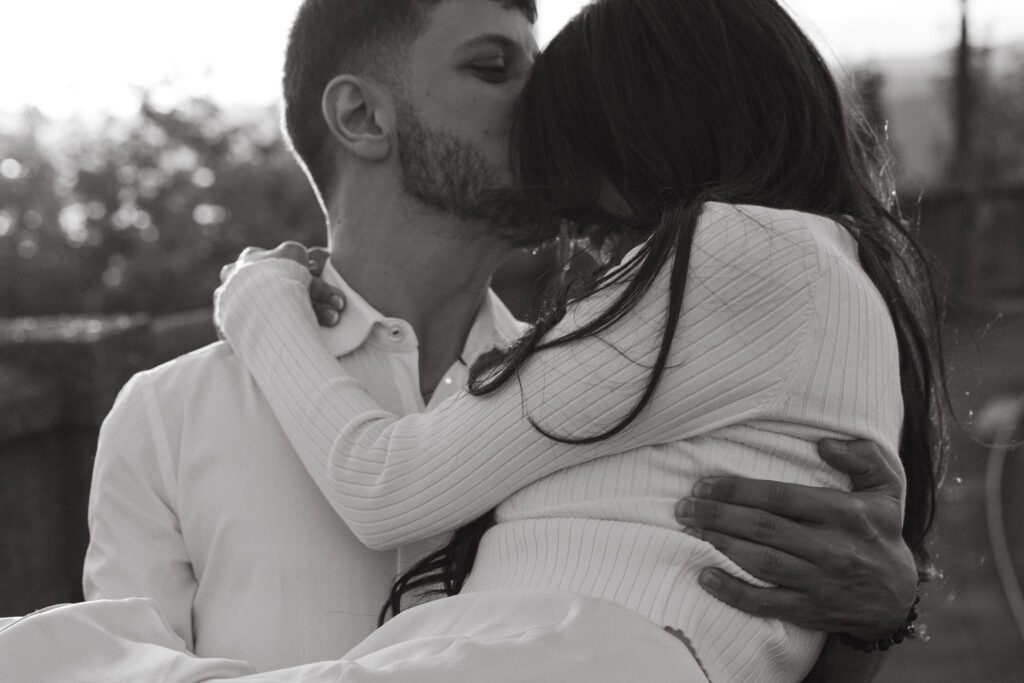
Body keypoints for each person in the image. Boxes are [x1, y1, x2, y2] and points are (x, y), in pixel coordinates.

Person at [56, 0, 921, 680]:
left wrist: (866, 624)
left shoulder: (637, 386)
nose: (549, 104)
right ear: (362, 116)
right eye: (493, 68)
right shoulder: (168, 417)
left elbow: (710, 637)